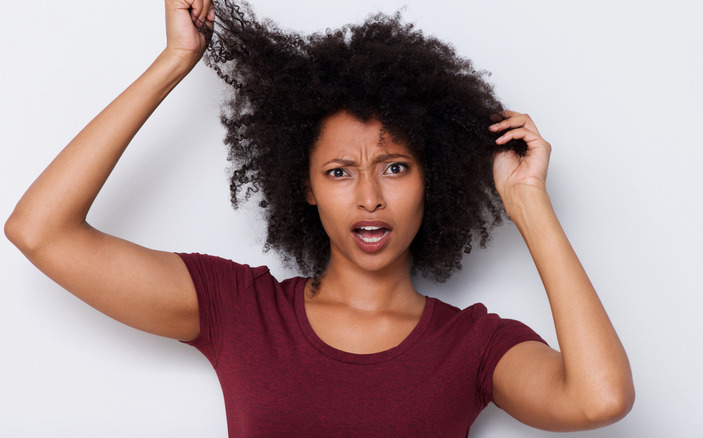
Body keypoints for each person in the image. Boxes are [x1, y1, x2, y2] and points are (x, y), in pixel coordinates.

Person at [5, 0, 634, 435]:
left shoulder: (472, 345)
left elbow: (599, 399)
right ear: (303, 188)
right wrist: (175, 59)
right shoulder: (243, 312)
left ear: (428, 180)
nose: (368, 197)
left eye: (394, 167)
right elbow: (40, 231)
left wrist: (528, 202)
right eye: (339, 172)